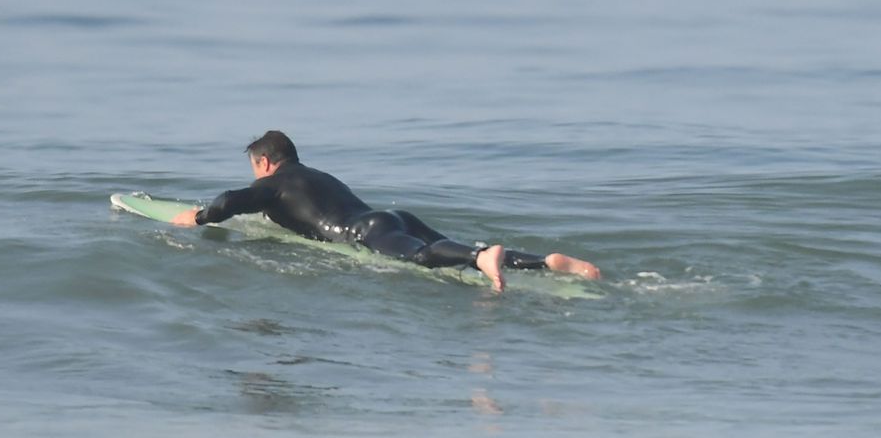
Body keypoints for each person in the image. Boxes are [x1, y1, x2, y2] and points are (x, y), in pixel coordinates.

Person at [169, 130, 600, 292]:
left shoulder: (271, 184)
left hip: (365, 234)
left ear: (264, 163)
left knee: (422, 259)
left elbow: (229, 202)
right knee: (449, 248)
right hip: (394, 217)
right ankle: (546, 263)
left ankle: (480, 258)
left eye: (255, 171)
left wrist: (199, 218)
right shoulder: (316, 175)